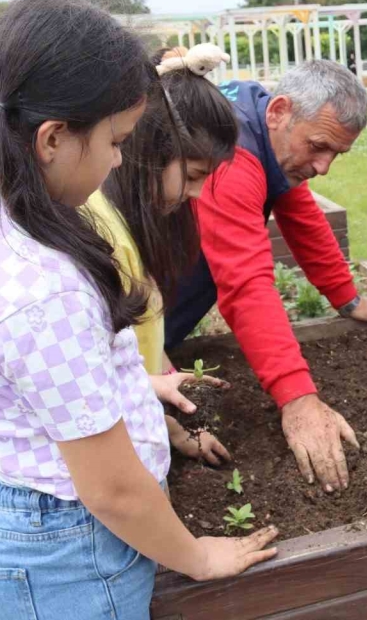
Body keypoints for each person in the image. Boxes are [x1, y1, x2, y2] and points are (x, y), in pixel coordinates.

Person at [0, 0, 277, 620]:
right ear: (53, 137)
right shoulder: (40, 287)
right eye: (116, 140)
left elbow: (23, 379)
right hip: (74, 553)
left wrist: (130, 386)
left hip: (22, 514)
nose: (119, 160)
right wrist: (197, 557)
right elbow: (113, 490)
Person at [164, 60, 367, 495]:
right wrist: (298, 399)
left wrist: (347, 298)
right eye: (319, 146)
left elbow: (300, 213)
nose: (324, 167)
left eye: (336, 154)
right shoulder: (233, 157)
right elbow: (246, 285)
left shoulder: (261, 121)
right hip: (135, 311)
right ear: (279, 111)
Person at [86, 44, 240, 467]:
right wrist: (156, 390)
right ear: (149, 152)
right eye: (192, 176)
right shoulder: (105, 240)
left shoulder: (134, 227)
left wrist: (177, 425)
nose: (197, 193)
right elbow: (89, 379)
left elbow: (142, 343)